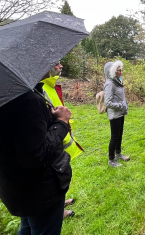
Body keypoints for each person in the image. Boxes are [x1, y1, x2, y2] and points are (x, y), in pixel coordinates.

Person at [0, 75, 73, 234]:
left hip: (17, 186)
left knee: (27, 227)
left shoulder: (8, 94)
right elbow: (36, 154)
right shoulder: (27, 101)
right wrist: (61, 122)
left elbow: (24, 139)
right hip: (40, 192)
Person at [41, 61, 84, 219]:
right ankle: (59, 211)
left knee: (61, 173)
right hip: (52, 141)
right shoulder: (41, 89)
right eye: (57, 63)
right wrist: (61, 121)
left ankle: (61, 201)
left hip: (58, 139)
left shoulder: (49, 86)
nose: (61, 66)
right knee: (55, 175)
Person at [104, 60, 130, 168]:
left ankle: (118, 153)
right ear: (113, 71)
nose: (121, 72)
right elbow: (108, 102)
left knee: (120, 134)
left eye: (121, 70)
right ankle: (111, 159)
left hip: (121, 113)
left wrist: (124, 105)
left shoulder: (117, 81)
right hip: (114, 114)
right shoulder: (109, 84)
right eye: (119, 70)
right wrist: (121, 105)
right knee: (114, 136)